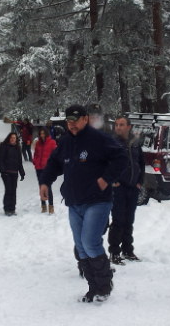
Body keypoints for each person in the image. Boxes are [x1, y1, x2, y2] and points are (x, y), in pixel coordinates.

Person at [39, 104, 127, 303]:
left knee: (90, 242)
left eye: (75, 120)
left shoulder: (99, 139)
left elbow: (121, 158)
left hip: (97, 201)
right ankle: (93, 288)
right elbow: (54, 163)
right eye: (68, 121)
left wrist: (105, 179)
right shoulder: (65, 142)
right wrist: (45, 181)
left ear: (85, 119)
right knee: (81, 247)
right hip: (74, 202)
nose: (72, 124)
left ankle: (104, 287)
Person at [108, 116, 145, 265]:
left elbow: (141, 163)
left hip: (133, 187)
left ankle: (127, 250)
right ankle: (114, 252)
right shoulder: (111, 143)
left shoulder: (135, 143)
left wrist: (139, 182)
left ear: (129, 127)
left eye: (121, 125)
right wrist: (113, 181)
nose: (118, 127)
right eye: (116, 125)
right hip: (118, 188)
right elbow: (105, 163)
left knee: (129, 220)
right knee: (118, 220)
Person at [0, 132, 25, 216]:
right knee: (8, 190)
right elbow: (0, 160)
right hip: (6, 173)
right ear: (9, 138)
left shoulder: (17, 148)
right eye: (11, 137)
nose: (13, 139)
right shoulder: (4, 147)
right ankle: (7, 209)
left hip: (15, 172)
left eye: (14, 138)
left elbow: (19, 161)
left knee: (13, 191)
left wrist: (22, 172)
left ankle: (12, 208)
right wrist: (3, 171)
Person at [32, 128, 57, 214]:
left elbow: (55, 155)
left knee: (48, 187)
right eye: (41, 134)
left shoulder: (52, 142)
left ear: (46, 134)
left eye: (43, 133)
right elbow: (35, 154)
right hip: (38, 168)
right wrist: (35, 161)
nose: (42, 135)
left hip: (47, 168)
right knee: (41, 187)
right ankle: (43, 206)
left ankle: (51, 206)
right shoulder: (38, 143)